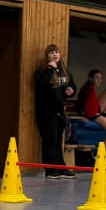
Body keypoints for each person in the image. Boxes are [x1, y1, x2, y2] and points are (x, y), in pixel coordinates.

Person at [33, 44, 76, 178]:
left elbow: (71, 84)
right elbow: (41, 83)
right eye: (51, 53)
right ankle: (50, 169)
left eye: (56, 52)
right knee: (50, 139)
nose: (55, 55)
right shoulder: (43, 71)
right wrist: (50, 68)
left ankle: (61, 167)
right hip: (46, 111)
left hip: (59, 110)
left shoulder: (63, 71)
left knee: (58, 140)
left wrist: (71, 90)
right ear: (47, 56)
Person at [76, 68, 106, 149]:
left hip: (96, 111)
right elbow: (81, 103)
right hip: (94, 116)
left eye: (101, 78)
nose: (99, 80)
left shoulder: (91, 87)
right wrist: (83, 116)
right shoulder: (88, 89)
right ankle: (101, 154)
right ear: (90, 78)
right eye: (97, 78)